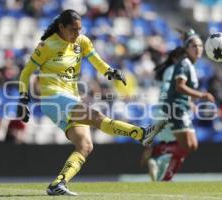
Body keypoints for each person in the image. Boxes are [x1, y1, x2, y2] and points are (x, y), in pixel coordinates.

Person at [16, 9, 167, 196]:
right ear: (61, 27)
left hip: (71, 98)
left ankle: (58, 184)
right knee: (97, 117)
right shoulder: (47, 45)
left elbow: (96, 61)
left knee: (85, 146)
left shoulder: (82, 41)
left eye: (79, 29)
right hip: (54, 99)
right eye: (73, 29)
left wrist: (110, 71)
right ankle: (140, 134)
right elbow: (26, 72)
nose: (77, 33)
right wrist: (23, 98)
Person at [143, 29, 215, 181]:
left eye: (200, 46)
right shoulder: (181, 66)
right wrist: (201, 96)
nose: (199, 49)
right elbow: (178, 87)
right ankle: (161, 160)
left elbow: (181, 89)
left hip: (175, 108)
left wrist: (191, 102)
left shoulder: (188, 66)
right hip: (173, 108)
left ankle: (163, 169)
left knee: (188, 145)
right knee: (184, 145)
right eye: (194, 46)